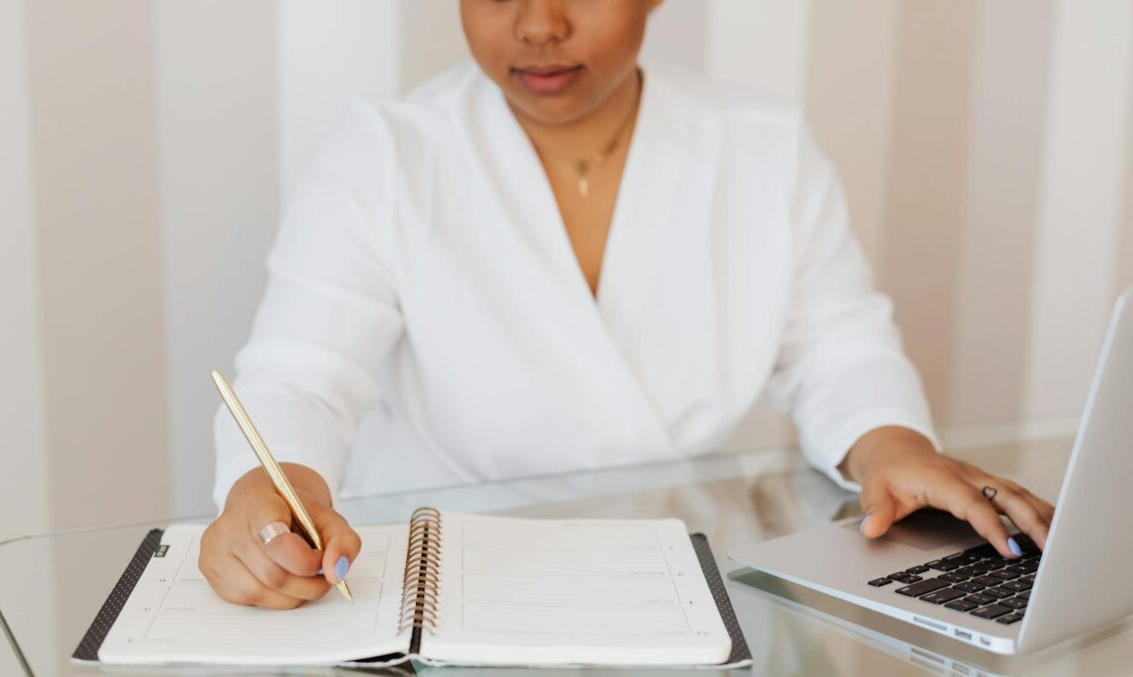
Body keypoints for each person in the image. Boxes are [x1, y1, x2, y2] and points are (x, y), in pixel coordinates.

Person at [199, 0, 1056, 609]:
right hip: (454, 579)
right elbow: (301, 373)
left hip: (689, 570)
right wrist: (275, 486)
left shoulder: (762, 146)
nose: (538, 24)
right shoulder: (383, 155)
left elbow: (837, 341)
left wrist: (892, 443)